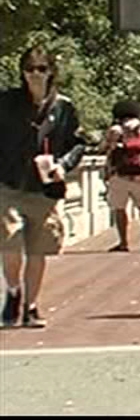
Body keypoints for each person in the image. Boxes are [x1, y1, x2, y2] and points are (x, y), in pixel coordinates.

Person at [0, 44, 87, 329]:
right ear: (22, 73)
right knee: (9, 241)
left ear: (51, 72)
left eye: (41, 69)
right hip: (9, 184)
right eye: (29, 70)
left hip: (45, 188)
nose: (35, 75)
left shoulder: (63, 107)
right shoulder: (7, 102)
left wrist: (63, 165)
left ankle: (31, 306)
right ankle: (13, 291)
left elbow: (77, 143)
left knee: (38, 249)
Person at [100, 100, 140, 253]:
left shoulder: (115, 130)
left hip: (119, 174)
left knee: (120, 208)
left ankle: (123, 242)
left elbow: (103, 148)